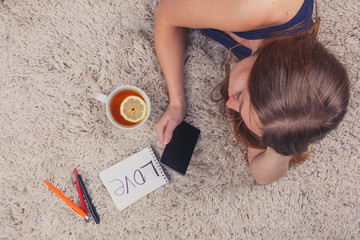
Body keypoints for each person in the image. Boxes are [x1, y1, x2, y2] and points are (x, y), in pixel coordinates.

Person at [154, 0, 350, 185]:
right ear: (266, 66)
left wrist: (282, 146)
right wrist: (176, 100)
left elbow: (262, 175)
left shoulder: (293, 69)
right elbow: (166, 14)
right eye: (239, 96)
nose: (230, 104)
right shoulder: (248, 10)